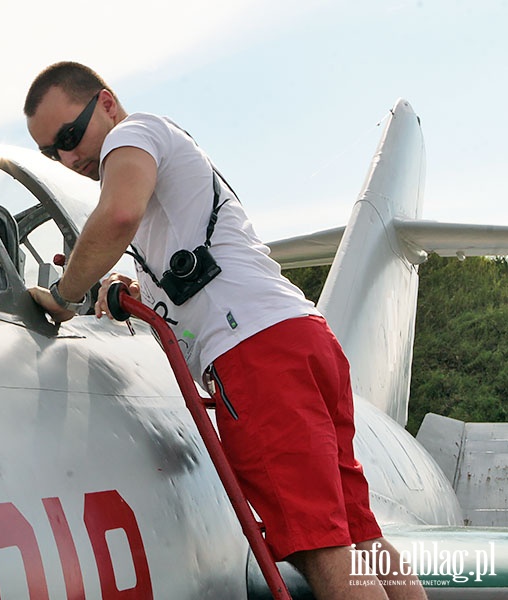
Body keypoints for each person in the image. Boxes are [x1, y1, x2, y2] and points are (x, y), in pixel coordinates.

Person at [24, 61, 426, 600]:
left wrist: (64, 294)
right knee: (360, 535)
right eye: (52, 152)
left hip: (257, 356)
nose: (69, 158)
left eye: (70, 137)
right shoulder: (166, 183)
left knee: (318, 546)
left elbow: (117, 215)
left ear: (107, 104)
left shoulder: (134, 133)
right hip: (300, 336)